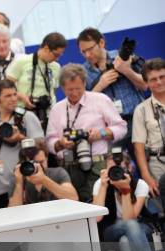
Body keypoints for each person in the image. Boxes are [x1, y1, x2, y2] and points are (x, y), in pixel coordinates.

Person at [46, 63, 127, 202]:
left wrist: (100, 134)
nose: (75, 93)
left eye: (78, 88)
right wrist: (61, 143)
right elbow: (49, 142)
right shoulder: (57, 109)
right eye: (69, 89)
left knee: (101, 206)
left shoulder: (100, 100)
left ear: (84, 83)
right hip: (69, 166)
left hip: (98, 164)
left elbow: (121, 127)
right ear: (62, 87)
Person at [78, 28, 147, 156]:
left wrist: (126, 70)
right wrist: (100, 85)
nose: (87, 55)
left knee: (148, 164)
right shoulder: (82, 72)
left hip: (137, 120)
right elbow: (82, 105)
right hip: (111, 129)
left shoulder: (122, 56)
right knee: (115, 169)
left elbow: (145, 85)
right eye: (83, 52)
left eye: (90, 49)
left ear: (102, 43)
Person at [0, 80, 44, 208]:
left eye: (15, 94)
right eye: (7, 96)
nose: (13, 99)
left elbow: (42, 145)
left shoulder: (27, 117)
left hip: (25, 183)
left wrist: (20, 138)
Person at [7, 32, 67, 130]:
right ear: (46, 48)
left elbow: (53, 91)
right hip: (23, 113)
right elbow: (6, 87)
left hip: (48, 116)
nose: (57, 58)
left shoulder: (56, 67)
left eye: (60, 55)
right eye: (56, 55)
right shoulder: (22, 61)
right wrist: (21, 96)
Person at [132, 58, 165, 200]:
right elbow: (138, 148)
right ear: (146, 83)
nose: (158, 82)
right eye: (153, 79)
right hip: (157, 164)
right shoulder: (141, 110)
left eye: (162, 77)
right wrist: (147, 177)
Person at [8, 139, 78, 206]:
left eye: (41, 162)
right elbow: (13, 212)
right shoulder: (17, 178)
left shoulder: (58, 173)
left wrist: (44, 180)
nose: (37, 166)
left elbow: (73, 198)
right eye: (32, 163)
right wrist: (19, 183)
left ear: (47, 158)